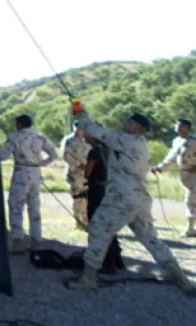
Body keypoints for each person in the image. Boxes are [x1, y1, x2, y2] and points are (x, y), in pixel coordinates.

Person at [69, 105, 194, 293]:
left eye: (129, 121)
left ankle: (88, 278)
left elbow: (95, 130)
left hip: (121, 197)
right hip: (140, 198)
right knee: (151, 239)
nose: (124, 123)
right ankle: (182, 279)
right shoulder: (141, 143)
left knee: (99, 228)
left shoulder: (124, 140)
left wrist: (80, 113)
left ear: (139, 128)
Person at [0, 114, 57, 253]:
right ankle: (36, 241)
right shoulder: (39, 136)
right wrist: (41, 163)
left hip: (21, 172)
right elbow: (53, 154)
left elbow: (2, 155)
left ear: (19, 124)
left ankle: (18, 240)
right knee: (34, 207)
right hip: (36, 172)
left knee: (16, 205)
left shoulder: (15, 137)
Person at [84, 137, 124, 273]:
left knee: (97, 224)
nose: (85, 137)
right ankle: (117, 259)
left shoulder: (95, 152)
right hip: (112, 189)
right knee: (109, 225)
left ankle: (104, 263)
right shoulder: (113, 151)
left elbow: (87, 173)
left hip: (97, 190)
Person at [152, 119, 196, 237]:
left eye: (180, 125)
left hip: (194, 174)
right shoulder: (176, 141)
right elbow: (171, 156)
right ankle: (191, 228)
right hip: (184, 174)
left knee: (191, 200)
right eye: (176, 125)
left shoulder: (194, 141)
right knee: (190, 200)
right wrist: (160, 167)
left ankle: (190, 229)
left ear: (186, 128)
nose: (177, 127)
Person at [61, 120, 90, 229]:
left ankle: (86, 221)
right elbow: (65, 155)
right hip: (75, 174)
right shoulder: (69, 140)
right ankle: (78, 222)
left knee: (87, 199)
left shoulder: (88, 140)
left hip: (88, 173)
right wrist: (78, 165)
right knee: (78, 197)